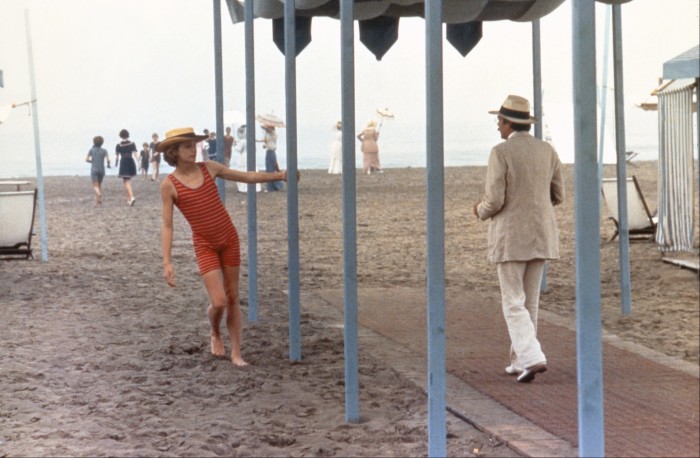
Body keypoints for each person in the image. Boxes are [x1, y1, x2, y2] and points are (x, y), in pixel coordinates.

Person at [158, 127, 298, 366]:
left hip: (229, 239)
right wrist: (167, 261)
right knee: (219, 301)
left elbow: (247, 177)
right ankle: (214, 331)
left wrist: (280, 175)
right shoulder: (169, 184)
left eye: (194, 145)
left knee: (233, 296)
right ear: (174, 152)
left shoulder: (210, 168)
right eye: (187, 147)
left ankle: (236, 353)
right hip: (205, 245)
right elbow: (167, 225)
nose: (193, 150)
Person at [472, 94, 565, 383]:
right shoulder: (547, 150)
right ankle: (519, 360)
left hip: (511, 235)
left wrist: (479, 210)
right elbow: (558, 194)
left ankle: (532, 357)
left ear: (508, 123)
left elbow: (495, 199)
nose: (498, 127)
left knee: (513, 301)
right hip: (541, 233)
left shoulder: (500, 152)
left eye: (499, 122)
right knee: (529, 302)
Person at [85, 135, 111, 205]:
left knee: (95, 185)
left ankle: (99, 194)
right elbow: (108, 160)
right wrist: (108, 165)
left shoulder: (91, 150)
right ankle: (98, 200)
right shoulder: (104, 151)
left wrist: (92, 161)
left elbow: (86, 159)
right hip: (101, 169)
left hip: (94, 169)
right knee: (99, 184)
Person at [114, 128, 138, 206]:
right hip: (130, 160)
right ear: (128, 135)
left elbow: (117, 156)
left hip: (124, 161)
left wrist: (116, 163)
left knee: (126, 181)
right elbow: (135, 154)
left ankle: (131, 197)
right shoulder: (132, 144)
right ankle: (128, 200)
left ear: (120, 136)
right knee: (127, 180)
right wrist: (139, 162)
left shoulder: (118, 145)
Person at [259, 125, 284, 191]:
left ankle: (272, 188)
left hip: (271, 152)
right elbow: (265, 145)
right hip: (269, 151)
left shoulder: (273, 134)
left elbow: (268, 130)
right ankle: (274, 186)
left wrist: (263, 127)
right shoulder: (269, 135)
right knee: (270, 170)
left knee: (270, 171)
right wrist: (265, 143)